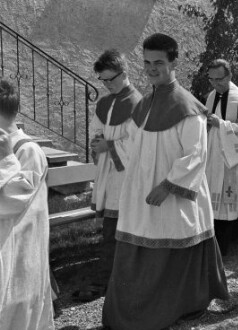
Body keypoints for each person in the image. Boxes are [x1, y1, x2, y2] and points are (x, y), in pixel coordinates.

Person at [102, 34, 229, 329]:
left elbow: (197, 155)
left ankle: (180, 306)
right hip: (141, 197)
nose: (151, 68)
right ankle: (133, 313)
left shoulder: (189, 108)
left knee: (171, 248)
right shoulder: (144, 105)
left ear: (173, 63)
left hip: (171, 198)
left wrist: (168, 185)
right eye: (146, 62)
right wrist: (110, 147)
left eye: (158, 62)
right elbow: (133, 145)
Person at [74, 49, 142, 302]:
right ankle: (111, 278)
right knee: (111, 231)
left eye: (110, 79)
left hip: (127, 179)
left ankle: (110, 280)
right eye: (103, 81)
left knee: (120, 230)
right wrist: (98, 143)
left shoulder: (138, 103)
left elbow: (139, 143)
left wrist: (109, 146)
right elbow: (96, 130)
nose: (107, 85)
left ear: (124, 74)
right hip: (109, 174)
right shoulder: (104, 103)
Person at [0, 79, 55, 329]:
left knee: (19, 312)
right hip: (6, 244)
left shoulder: (28, 150)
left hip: (22, 249)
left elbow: (12, 200)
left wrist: (6, 159)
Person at [204, 59, 238, 256]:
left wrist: (221, 124)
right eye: (211, 79)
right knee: (211, 198)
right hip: (212, 157)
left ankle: (223, 247)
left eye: (219, 79)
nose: (215, 83)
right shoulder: (209, 97)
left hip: (232, 158)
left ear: (229, 76)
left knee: (228, 200)